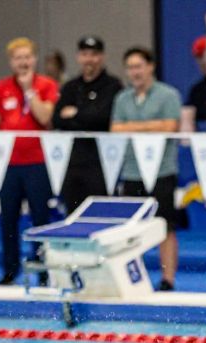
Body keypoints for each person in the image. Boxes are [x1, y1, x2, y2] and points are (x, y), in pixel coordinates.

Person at [0, 37, 58, 285]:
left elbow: (45, 117)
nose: (23, 62)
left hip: (38, 163)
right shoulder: (2, 88)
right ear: (11, 62)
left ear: (35, 59)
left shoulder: (46, 85)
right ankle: (10, 269)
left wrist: (29, 91)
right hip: (8, 165)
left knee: (40, 218)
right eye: (18, 58)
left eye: (27, 57)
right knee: (8, 219)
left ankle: (43, 269)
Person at [112, 47, 182, 292]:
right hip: (131, 171)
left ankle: (168, 279)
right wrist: (152, 125)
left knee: (165, 226)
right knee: (131, 231)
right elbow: (116, 130)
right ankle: (134, 278)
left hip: (162, 170)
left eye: (139, 66)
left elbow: (171, 126)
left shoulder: (168, 95)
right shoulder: (122, 98)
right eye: (130, 67)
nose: (135, 72)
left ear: (150, 66)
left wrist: (133, 126)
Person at [52, 36, 122, 215]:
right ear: (78, 57)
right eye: (85, 54)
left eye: (94, 54)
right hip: (73, 161)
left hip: (102, 162)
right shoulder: (70, 87)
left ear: (102, 57)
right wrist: (88, 115)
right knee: (73, 215)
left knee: (100, 215)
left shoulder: (113, 85)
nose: (89, 59)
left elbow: (103, 118)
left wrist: (76, 114)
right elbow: (57, 119)